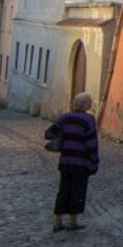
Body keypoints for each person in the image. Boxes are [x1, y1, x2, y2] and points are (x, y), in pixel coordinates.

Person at [45, 92, 99, 232]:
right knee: (77, 191)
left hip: (65, 161)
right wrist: (95, 159)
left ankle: (57, 221)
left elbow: (49, 133)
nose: (91, 103)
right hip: (81, 162)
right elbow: (91, 143)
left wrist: (64, 138)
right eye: (90, 101)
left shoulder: (65, 118)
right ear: (85, 105)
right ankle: (72, 222)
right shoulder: (88, 120)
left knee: (63, 190)